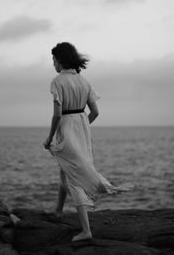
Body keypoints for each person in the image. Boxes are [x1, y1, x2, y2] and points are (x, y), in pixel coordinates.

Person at [43, 42, 132, 242]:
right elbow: (96, 112)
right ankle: (58, 211)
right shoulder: (84, 82)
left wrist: (50, 138)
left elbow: (57, 115)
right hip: (82, 130)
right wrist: (82, 128)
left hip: (66, 129)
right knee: (67, 171)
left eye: (54, 60)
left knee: (73, 178)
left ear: (60, 60)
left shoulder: (57, 81)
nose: (53, 64)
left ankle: (86, 231)